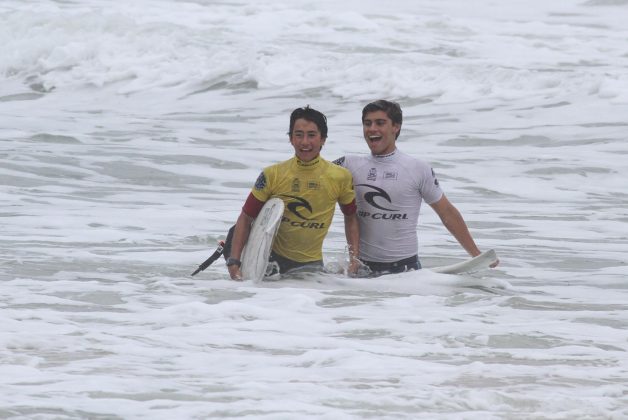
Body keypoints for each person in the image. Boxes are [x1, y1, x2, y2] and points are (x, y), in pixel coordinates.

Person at [334, 99, 497, 277]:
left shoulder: (417, 169)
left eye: (380, 123)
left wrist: (476, 255)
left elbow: (447, 212)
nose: (372, 128)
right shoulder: (348, 164)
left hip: (406, 272)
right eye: (367, 123)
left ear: (396, 127)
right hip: (362, 271)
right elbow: (314, 176)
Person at [226, 106, 360, 280]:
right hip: (269, 264)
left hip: (311, 267)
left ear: (323, 139)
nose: (305, 142)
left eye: (312, 135)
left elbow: (351, 218)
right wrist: (234, 261)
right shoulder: (272, 174)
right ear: (290, 138)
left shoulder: (340, 176)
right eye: (298, 134)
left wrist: (354, 260)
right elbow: (246, 217)